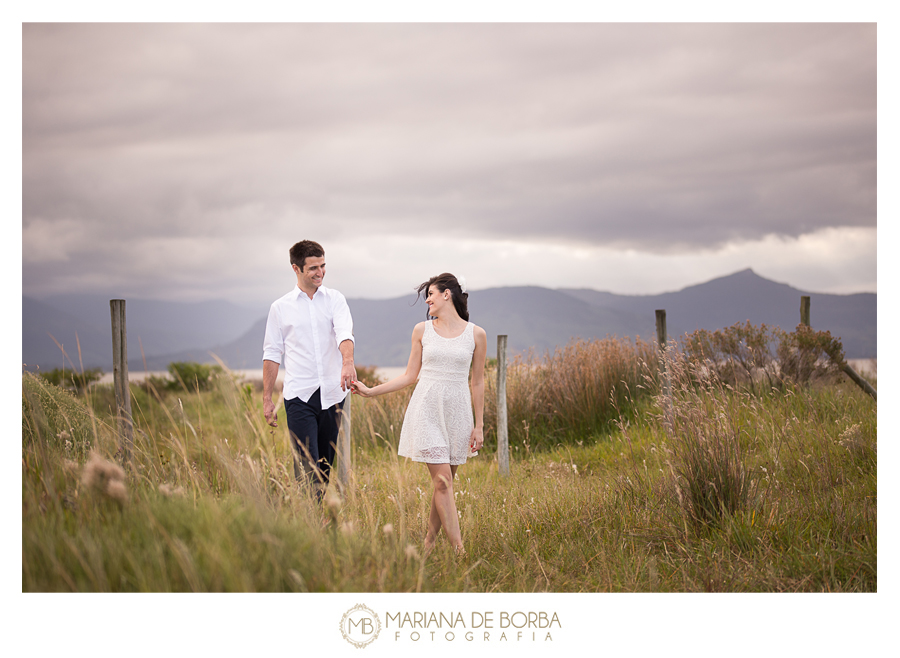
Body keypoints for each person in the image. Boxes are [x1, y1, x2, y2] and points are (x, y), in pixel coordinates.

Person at [351, 273, 486, 554]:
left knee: (444, 485)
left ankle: (429, 541)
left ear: (446, 295)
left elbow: (477, 381)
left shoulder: (476, 334)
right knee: (443, 482)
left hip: (459, 414)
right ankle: (459, 550)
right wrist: (371, 391)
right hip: (426, 410)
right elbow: (410, 376)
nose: (427, 300)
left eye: (431, 294)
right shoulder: (421, 330)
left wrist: (479, 425)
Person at [262, 240, 357, 500]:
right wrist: (267, 398)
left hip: (333, 394)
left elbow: (344, 333)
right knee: (307, 463)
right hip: (299, 396)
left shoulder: (335, 299)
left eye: (323, 266)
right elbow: (271, 354)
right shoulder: (280, 308)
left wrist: (347, 362)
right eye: (313, 267)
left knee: (325, 463)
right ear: (296, 268)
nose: (320, 272)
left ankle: (319, 514)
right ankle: (312, 519)